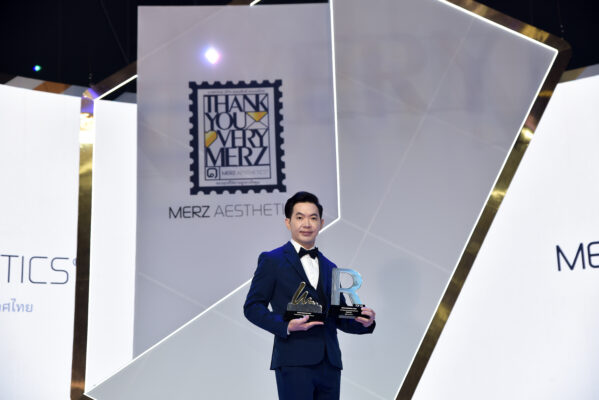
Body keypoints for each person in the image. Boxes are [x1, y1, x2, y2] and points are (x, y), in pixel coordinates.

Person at [244, 191, 376, 400]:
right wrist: (286, 325)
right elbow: (252, 307)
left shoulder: (330, 266)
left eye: (313, 218)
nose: (307, 224)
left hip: (330, 363)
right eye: (300, 217)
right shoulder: (272, 260)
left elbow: (336, 315)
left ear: (321, 223)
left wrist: (365, 322)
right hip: (294, 361)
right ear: (288, 222)